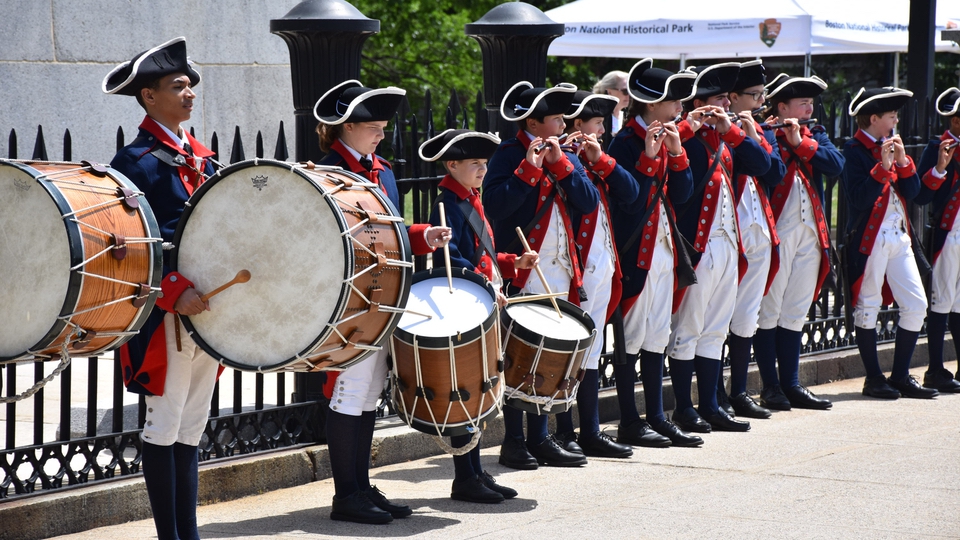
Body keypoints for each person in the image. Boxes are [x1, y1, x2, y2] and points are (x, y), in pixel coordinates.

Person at [314, 80, 452, 524]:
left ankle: (361, 485)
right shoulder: (328, 170)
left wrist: (421, 236)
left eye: (382, 127)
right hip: (351, 294)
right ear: (346, 128)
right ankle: (345, 494)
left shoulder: (383, 169)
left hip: (384, 290)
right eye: (372, 127)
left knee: (370, 391)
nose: (380, 134)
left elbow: (389, 229)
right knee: (350, 389)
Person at [105, 36, 219, 540]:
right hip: (165, 315)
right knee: (165, 422)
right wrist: (174, 291)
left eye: (190, 84)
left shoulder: (201, 155)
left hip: (209, 310)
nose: (190, 92)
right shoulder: (136, 161)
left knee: (192, 426)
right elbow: (132, 245)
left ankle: (187, 534)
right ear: (149, 97)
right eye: (178, 86)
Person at [483, 81, 599, 469]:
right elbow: (496, 206)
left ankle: (541, 436)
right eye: (557, 117)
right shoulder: (508, 153)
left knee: (551, 355)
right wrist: (529, 169)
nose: (565, 123)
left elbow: (588, 202)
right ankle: (514, 441)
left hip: (560, 266)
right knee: (520, 357)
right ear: (534, 121)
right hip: (523, 265)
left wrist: (561, 164)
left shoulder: (565, 153)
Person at [420, 128, 539, 503]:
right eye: (475, 164)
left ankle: (474, 471)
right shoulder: (447, 206)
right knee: (467, 392)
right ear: (451, 165)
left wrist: (511, 261)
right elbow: (452, 263)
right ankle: (464, 476)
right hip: (465, 308)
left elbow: (482, 256)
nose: (483, 170)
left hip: (482, 305)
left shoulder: (469, 199)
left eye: (485, 164)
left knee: (483, 391)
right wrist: (488, 285)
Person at [668, 62, 771, 434]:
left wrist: (735, 132)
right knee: (690, 327)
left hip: (729, 244)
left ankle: (711, 404)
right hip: (699, 245)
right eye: (717, 100)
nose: (724, 106)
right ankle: (684, 407)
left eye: (727, 100)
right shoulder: (687, 136)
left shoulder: (724, 137)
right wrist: (691, 123)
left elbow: (762, 164)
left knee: (715, 329)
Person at [606, 59, 703, 448]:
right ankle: (630, 419)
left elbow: (683, 195)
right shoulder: (625, 143)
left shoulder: (668, 136)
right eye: (673, 99)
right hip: (636, 252)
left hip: (664, 249)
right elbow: (629, 202)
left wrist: (678, 154)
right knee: (631, 338)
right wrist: (649, 158)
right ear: (651, 104)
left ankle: (657, 415)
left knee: (657, 335)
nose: (680, 107)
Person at [551, 90, 638, 458]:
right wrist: (572, 157)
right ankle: (564, 430)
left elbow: (630, 191)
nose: (602, 131)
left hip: (603, 265)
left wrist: (598, 159)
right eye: (598, 124)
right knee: (568, 350)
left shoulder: (595, 156)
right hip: (577, 266)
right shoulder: (561, 159)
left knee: (592, 349)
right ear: (576, 125)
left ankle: (590, 428)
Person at [754, 74, 844, 411]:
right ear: (782, 107)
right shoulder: (765, 134)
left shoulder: (815, 135)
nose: (809, 108)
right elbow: (768, 170)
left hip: (810, 233)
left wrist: (800, 141)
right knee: (770, 310)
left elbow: (836, 165)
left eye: (811, 103)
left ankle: (791, 383)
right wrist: (783, 139)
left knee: (794, 312)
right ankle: (770, 386)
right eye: (802, 103)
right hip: (778, 232)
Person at [841, 87, 938, 400]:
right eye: (892, 115)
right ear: (874, 118)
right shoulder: (853, 150)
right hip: (871, 240)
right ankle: (873, 378)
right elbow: (857, 199)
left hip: (899, 235)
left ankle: (899, 376)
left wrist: (904, 161)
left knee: (916, 304)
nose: (897, 120)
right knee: (868, 306)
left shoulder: (893, 146)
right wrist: (882, 167)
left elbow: (912, 193)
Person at [719, 60, 787, 420]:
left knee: (746, 316)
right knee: (718, 317)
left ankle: (739, 391)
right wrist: (740, 135)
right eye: (755, 95)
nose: (761, 102)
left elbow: (774, 171)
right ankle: (715, 394)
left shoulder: (760, 129)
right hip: (732, 229)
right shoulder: (721, 130)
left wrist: (754, 136)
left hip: (760, 228)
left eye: (763, 95)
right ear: (732, 97)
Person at [914, 87, 960, 393]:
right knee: (941, 303)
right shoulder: (937, 147)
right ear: (955, 121)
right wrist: (940, 169)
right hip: (949, 235)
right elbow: (921, 196)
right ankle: (935, 369)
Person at [593, 70, 630, 135]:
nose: (629, 95)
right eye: (626, 91)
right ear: (609, 92)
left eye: (630, 91)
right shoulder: (597, 117)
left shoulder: (627, 117)